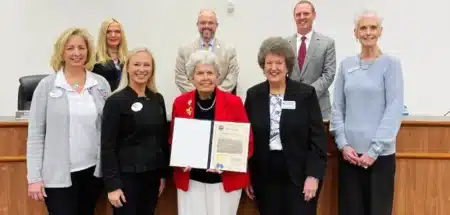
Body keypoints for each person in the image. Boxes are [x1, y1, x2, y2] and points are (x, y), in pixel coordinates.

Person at [26, 27, 111, 215]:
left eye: (81, 48)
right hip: (57, 175)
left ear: (88, 51)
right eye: (70, 48)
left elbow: (109, 129)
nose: (76, 53)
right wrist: (34, 178)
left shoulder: (100, 84)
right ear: (61, 52)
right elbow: (35, 135)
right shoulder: (47, 86)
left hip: (93, 172)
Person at [329, 10, 404, 215]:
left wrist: (374, 151)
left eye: (372, 27)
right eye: (363, 28)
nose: (368, 32)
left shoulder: (391, 65)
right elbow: (337, 107)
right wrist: (343, 145)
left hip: (379, 157)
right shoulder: (346, 65)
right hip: (350, 156)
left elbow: (394, 109)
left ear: (380, 31)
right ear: (355, 32)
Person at [244, 37, 328, 215]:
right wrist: (247, 176)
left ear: (287, 65)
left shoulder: (305, 94)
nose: (273, 68)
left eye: (279, 63)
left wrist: (313, 175)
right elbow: (246, 138)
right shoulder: (253, 95)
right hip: (265, 176)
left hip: (300, 176)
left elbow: (318, 139)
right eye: (269, 63)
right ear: (263, 65)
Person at [169, 50, 253, 215]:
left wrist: (228, 162)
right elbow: (173, 139)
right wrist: (181, 159)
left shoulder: (234, 103)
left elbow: (247, 142)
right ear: (192, 77)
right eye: (200, 73)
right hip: (191, 181)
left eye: (210, 73)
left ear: (217, 76)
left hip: (224, 181)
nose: (205, 78)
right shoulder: (180, 103)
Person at [101, 47, 169, 215]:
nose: (141, 69)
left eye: (146, 65)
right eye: (136, 64)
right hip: (126, 180)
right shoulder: (115, 101)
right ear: (128, 68)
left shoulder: (157, 99)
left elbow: (161, 139)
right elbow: (107, 146)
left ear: (152, 69)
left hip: (152, 178)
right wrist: (113, 185)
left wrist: (162, 175)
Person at [286, 0, 336, 119]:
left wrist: (307, 93)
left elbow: (329, 74)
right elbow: (282, 73)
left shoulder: (327, 43)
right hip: (292, 105)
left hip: (319, 106)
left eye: (306, 13)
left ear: (314, 15)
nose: (302, 17)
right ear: (294, 17)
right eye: (298, 14)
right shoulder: (285, 44)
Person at [174, 9, 239, 95]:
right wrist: (199, 96)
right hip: (192, 102)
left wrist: (215, 97)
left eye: (210, 23)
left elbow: (232, 76)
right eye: (203, 23)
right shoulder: (184, 49)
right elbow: (180, 77)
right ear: (197, 25)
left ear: (216, 25)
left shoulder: (229, 50)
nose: (206, 26)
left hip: (221, 101)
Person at [92, 18, 129, 91]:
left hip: (124, 100)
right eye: (108, 32)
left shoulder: (128, 58)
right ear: (103, 35)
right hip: (102, 100)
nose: (113, 35)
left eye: (117, 31)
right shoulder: (93, 58)